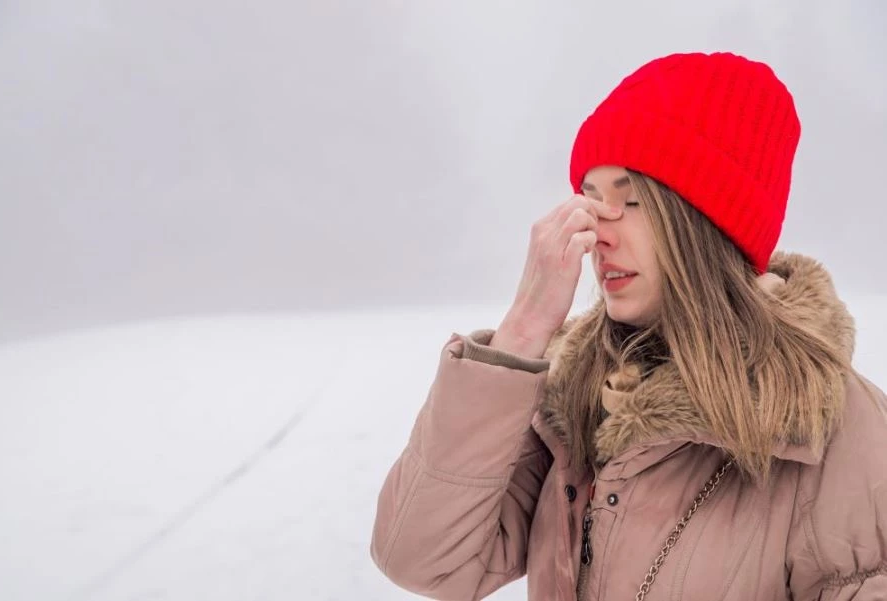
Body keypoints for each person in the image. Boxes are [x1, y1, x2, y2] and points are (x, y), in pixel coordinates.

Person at [369, 51, 887, 600]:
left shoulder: (833, 428)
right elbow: (422, 560)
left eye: (632, 201)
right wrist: (522, 331)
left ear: (706, 224)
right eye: (591, 202)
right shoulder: (570, 398)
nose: (598, 232)